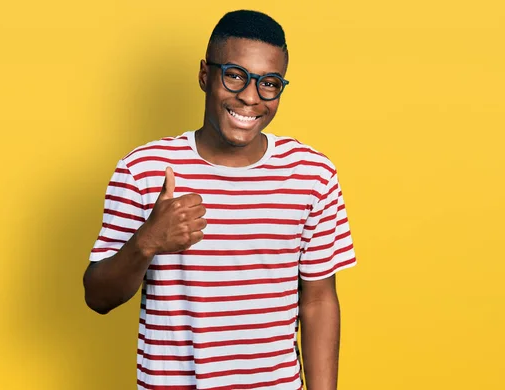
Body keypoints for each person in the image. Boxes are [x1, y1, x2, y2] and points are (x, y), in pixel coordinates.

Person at [83, 9, 356, 390]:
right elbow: (97, 296)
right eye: (235, 75)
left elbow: (318, 302)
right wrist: (148, 240)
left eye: (269, 84)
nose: (250, 98)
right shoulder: (143, 169)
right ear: (204, 75)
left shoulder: (312, 174)